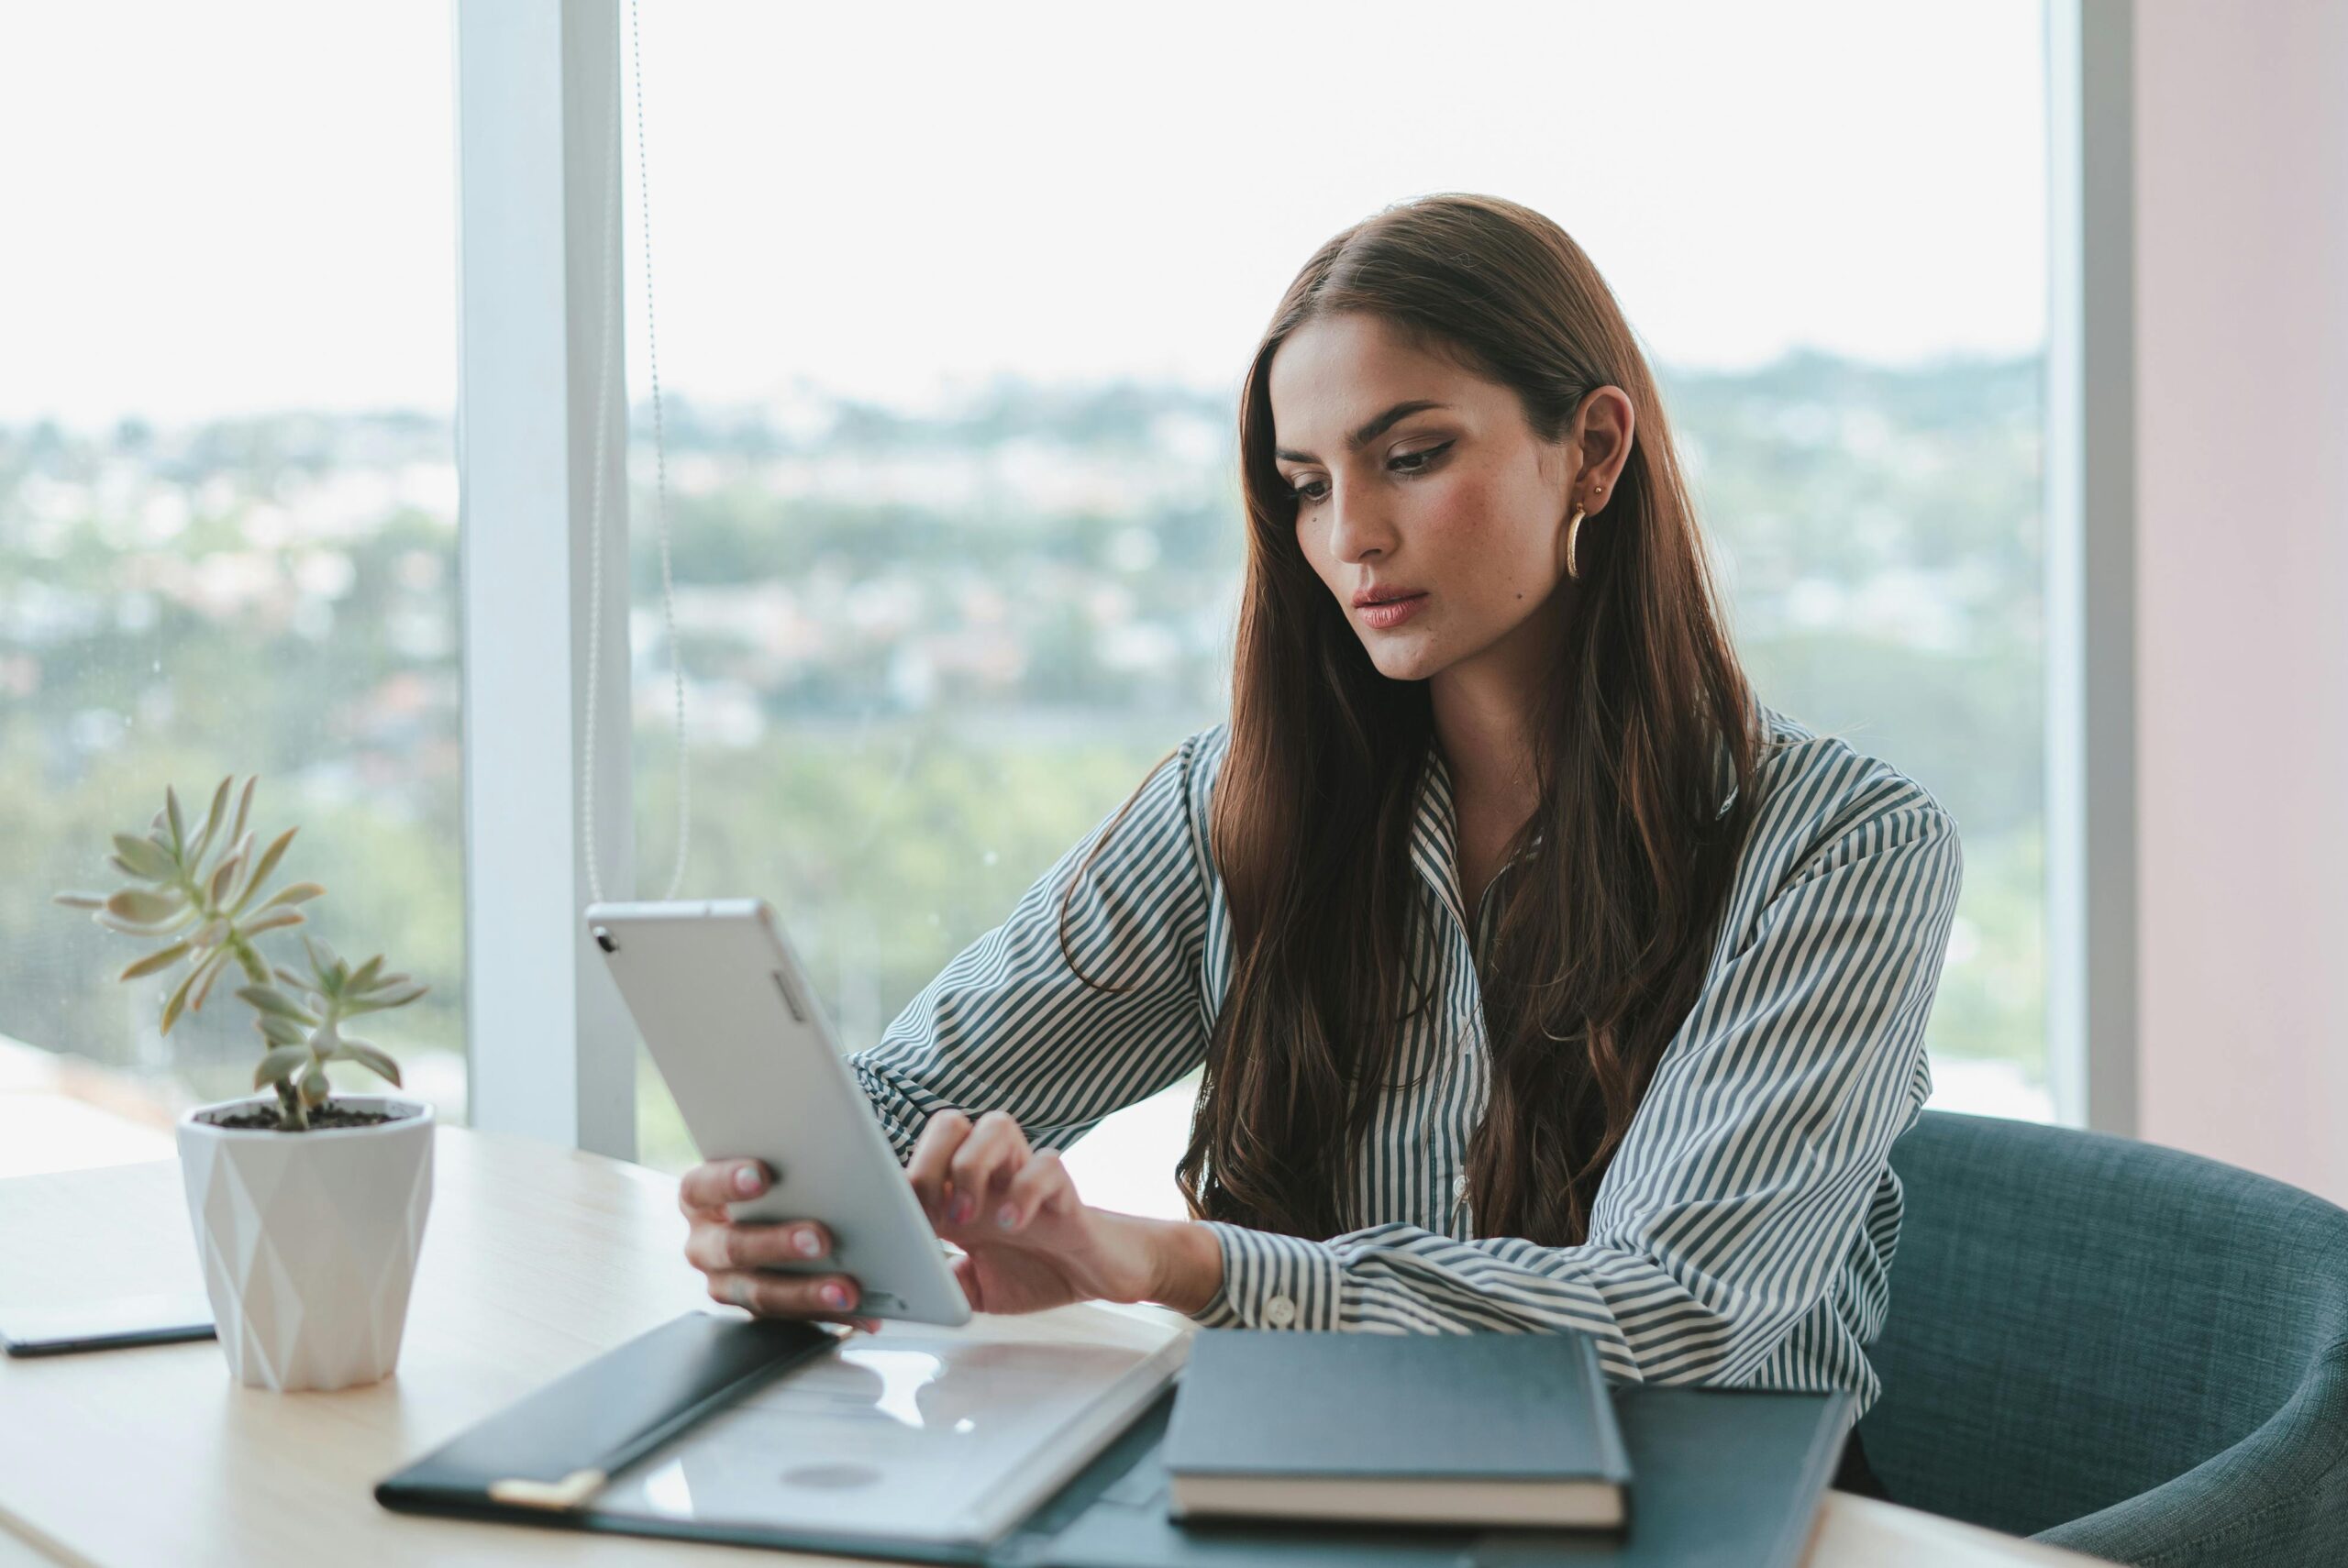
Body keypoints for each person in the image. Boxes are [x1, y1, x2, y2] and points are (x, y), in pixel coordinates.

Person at [675, 193, 1956, 1503]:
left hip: (1690, 1510)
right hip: (1311, 1489)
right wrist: (805, 1214)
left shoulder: (1843, 848)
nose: (1350, 537)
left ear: (1593, 449)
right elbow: (903, 1101)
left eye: (1410, 456)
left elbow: (1675, 1312)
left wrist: (1182, 1262)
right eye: (1305, 486)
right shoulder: (1240, 804)